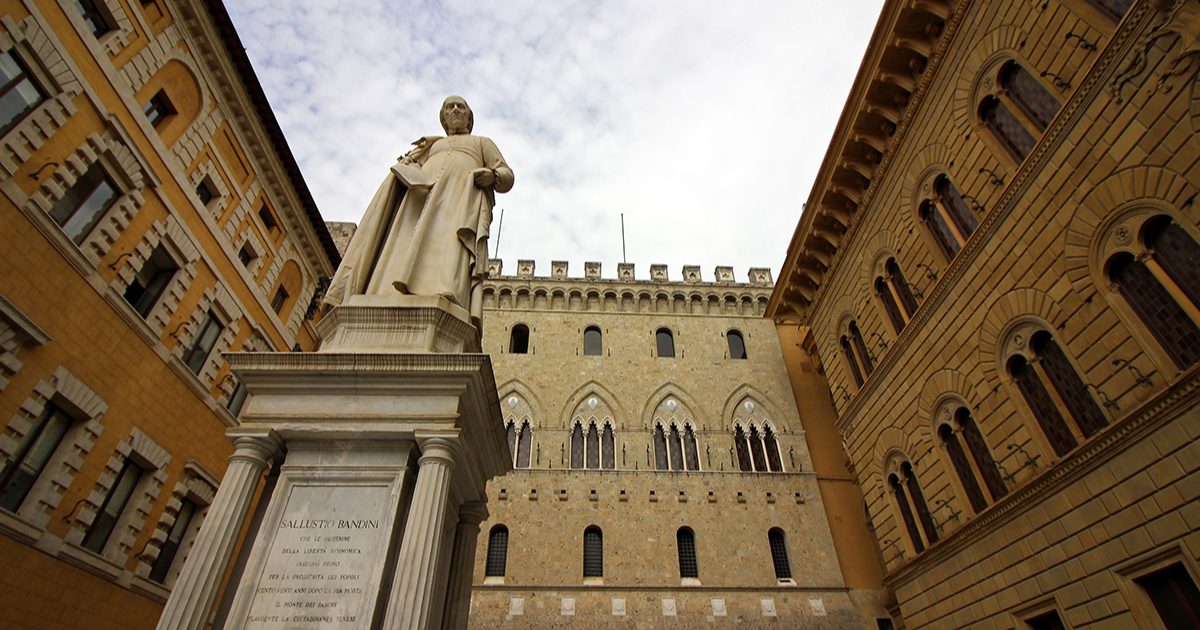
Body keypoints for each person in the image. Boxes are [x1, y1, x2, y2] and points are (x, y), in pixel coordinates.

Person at [322, 95, 513, 327]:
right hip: (419, 201)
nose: (454, 110)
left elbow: (506, 174)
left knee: (448, 245)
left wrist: (492, 176)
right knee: (405, 242)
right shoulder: (431, 145)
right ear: (443, 118)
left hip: (457, 204)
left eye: (460, 107)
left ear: (469, 117)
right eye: (449, 107)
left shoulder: (482, 143)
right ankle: (389, 290)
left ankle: (444, 291)